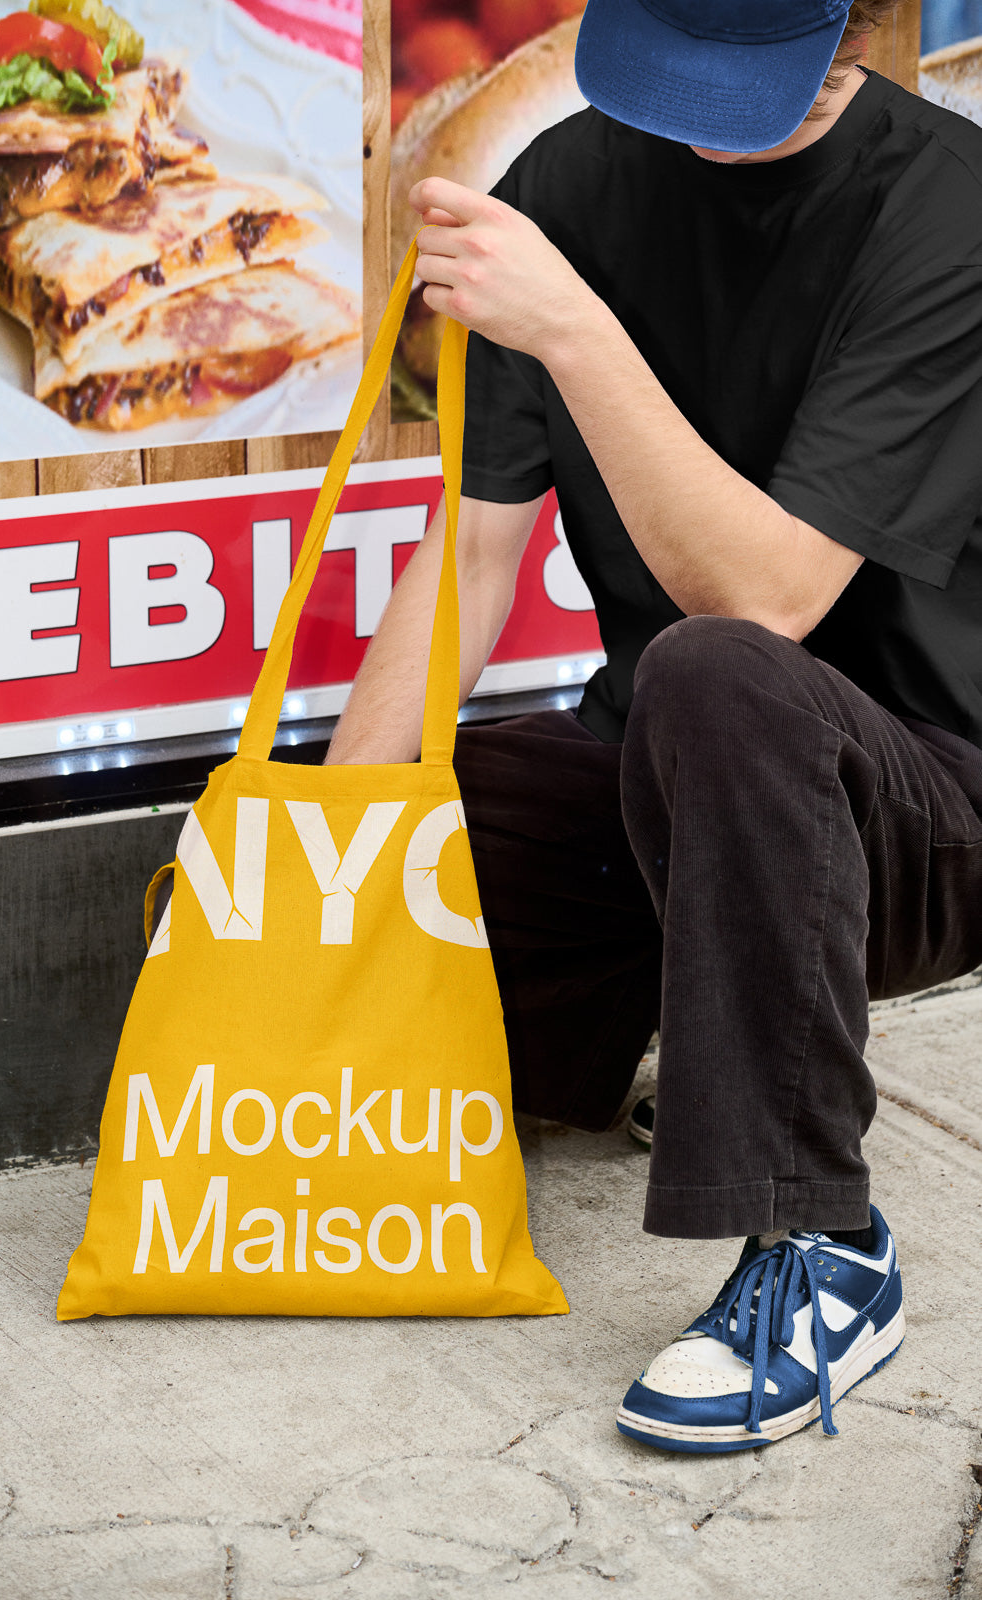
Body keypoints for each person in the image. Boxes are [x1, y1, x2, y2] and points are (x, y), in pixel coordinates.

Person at [326, 0, 982, 1452]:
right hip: (672, 788)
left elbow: (763, 599)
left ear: (860, 33)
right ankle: (626, 1049)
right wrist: (317, 859)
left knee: (715, 670)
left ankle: (820, 1246)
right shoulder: (563, 184)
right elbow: (474, 555)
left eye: (736, 73)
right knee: (413, 814)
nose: (691, 112)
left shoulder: (950, 212)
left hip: (928, 811)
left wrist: (570, 324)